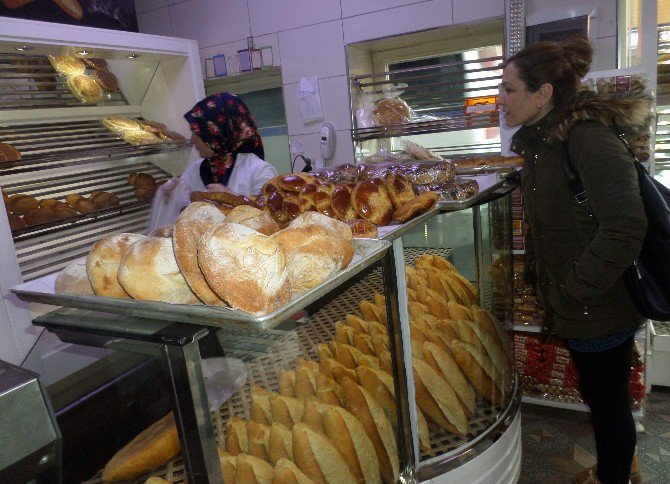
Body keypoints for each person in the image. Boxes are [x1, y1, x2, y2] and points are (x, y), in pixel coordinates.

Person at [499, 37, 650, 484]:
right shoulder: (544, 143)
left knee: (607, 404)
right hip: (580, 303)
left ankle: (616, 476)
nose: (500, 98)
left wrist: (573, 289)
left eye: (509, 88)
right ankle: (619, 466)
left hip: (599, 303)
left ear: (543, 93)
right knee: (603, 397)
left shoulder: (586, 137)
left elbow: (625, 226)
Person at [180, 91, 278, 197]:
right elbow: (178, 201)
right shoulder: (195, 170)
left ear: (220, 132)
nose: (192, 140)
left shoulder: (260, 171)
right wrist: (172, 191)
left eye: (198, 133)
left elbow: (268, 211)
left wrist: (232, 198)